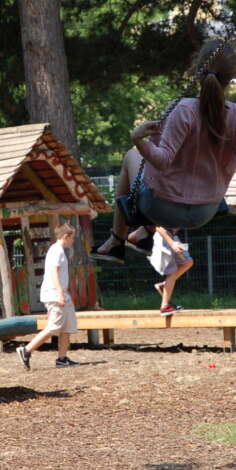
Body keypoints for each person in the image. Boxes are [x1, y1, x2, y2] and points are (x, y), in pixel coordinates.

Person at [101, 40, 236, 246]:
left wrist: (138, 140)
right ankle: (144, 233)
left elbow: (163, 161)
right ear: (232, 76)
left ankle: (116, 241)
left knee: (132, 156)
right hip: (204, 212)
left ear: (197, 68)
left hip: (159, 206)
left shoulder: (184, 109)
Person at [16, 223, 79, 370]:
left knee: (68, 326)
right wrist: (60, 293)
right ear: (66, 236)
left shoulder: (60, 250)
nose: (73, 241)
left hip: (62, 294)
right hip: (54, 295)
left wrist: (66, 292)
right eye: (72, 238)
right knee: (53, 327)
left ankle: (62, 359)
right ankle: (26, 350)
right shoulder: (56, 250)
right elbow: (54, 272)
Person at [89, 147, 155, 264]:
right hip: (197, 214)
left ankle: (116, 240)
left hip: (163, 201)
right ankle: (146, 230)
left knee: (133, 153)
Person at [149, 227, 194, 316]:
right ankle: (165, 306)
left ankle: (164, 285)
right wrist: (172, 243)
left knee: (188, 262)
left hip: (171, 238)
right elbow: (158, 227)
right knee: (172, 271)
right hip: (163, 239)